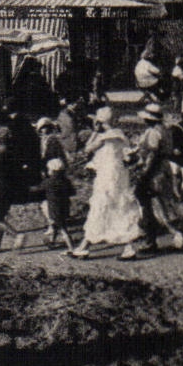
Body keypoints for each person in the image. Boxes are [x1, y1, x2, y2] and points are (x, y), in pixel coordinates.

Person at [70, 107, 143, 260]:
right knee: (119, 207)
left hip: (107, 176)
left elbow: (88, 148)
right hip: (119, 175)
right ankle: (128, 247)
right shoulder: (120, 134)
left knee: (101, 207)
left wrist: (95, 131)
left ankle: (85, 246)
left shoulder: (104, 137)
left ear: (100, 121)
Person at [128, 103, 183, 256]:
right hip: (164, 168)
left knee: (152, 205)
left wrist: (145, 172)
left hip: (154, 171)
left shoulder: (153, 133)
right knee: (160, 205)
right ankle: (165, 234)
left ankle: (156, 238)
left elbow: (152, 154)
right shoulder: (165, 130)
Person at [39, 157, 76, 252]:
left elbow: (39, 188)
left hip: (54, 208)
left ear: (52, 170)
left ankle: (71, 248)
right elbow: (72, 192)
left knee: (63, 229)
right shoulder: (66, 181)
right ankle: (52, 241)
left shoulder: (49, 182)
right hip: (65, 206)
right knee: (56, 225)